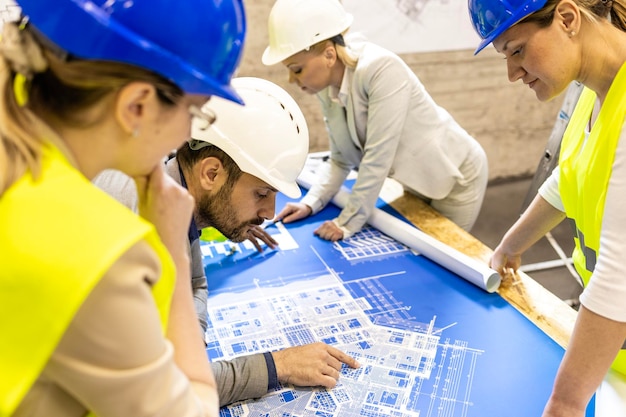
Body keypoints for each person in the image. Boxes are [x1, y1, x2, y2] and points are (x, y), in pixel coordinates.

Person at [0, 0, 247, 416]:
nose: (188, 131)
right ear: (136, 106)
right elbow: (193, 408)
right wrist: (171, 245)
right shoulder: (92, 254)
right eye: (193, 111)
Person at [94, 77, 360, 406]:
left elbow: (196, 282)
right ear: (211, 173)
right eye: (261, 193)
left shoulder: (172, 187)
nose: (269, 212)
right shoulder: (141, 227)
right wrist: (279, 365)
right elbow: (166, 392)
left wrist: (191, 339)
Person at [468, 0, 626, 415]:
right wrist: (510, 245)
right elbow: (570, 177)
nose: (512, 73)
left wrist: (566, 403)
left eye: (517, 50)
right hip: (614, 348)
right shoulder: (593, 94)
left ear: (568, 19)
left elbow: (619, 275)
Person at [261, 0, 488, 241]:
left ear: (329, 55)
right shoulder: (327, 88)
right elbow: (340, 159)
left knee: (447, 256)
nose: (291, 79)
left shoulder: (382, 69)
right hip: (416, 180)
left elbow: (378, 156)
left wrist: (346, 223)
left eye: (296, 69)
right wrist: (310, 203)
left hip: (457, 179)